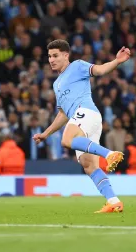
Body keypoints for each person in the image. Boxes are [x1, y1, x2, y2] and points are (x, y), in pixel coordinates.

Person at [32, 39, 130, 213]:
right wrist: (45, 134)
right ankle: (114, 201)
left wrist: (116, 62)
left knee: (67, 139)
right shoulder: (56, 84)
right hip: (81, 120)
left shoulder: (77, 66)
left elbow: (99, 70)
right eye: (49, 56)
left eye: (55, 56)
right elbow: (62, 114)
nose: (51, 60)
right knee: (89, 166)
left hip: (86, 112)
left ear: (65, 55)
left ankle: (110, 154)